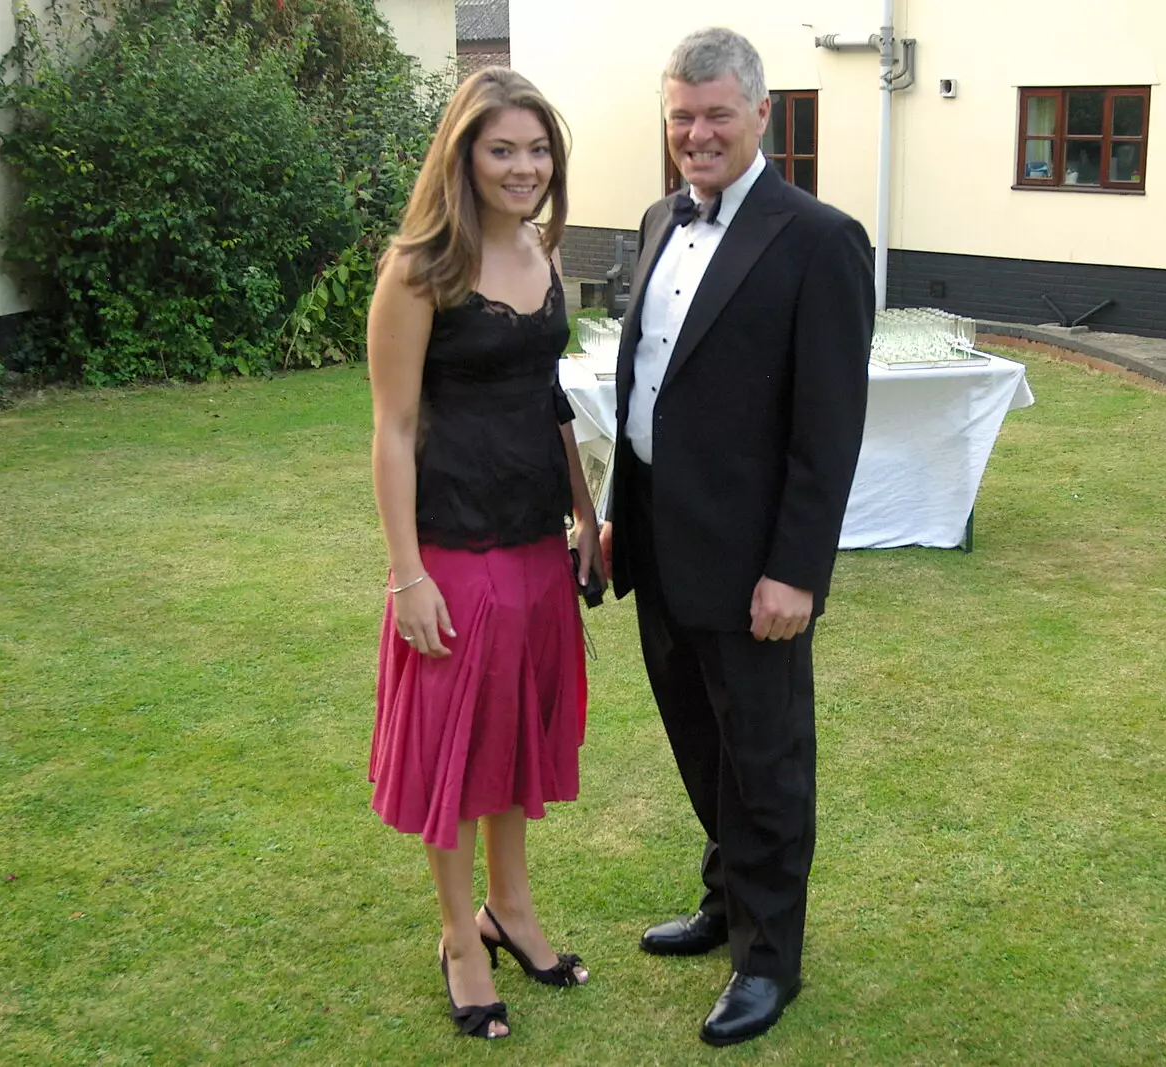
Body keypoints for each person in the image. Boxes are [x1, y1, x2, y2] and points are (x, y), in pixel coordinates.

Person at [599, 28, 874, 1047]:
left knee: (764, 756)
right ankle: (726, 900)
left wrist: (794, 570)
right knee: (696, 738)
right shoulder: (655, 219)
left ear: (763, 114)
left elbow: (828, 427)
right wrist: (621, 509)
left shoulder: (820, 239)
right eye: (681, 115)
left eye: (717, 113)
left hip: (754, 559)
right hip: (661, 544)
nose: (696, 133)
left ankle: (769, 959)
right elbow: (648, 387)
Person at [365, 67, 600, 1041]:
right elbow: (391, 425)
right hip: (453, 549)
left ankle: (515, 907)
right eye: (502, 148)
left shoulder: (543, 254)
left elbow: (549, 400)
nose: (524, 166)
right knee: (457, 756)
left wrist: (587, 513)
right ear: (462, 153)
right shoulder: (419, 267)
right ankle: (461, 935)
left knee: (515, 739)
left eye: (538, 149)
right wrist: (406, 570)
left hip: (537, 541)